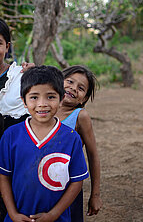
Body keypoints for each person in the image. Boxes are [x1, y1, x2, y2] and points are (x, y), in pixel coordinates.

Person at [0, 65, 89, 222]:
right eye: (34, 97)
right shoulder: (11, 135)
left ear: (61, 98)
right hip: (17, 217)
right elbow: (4, 176)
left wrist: (53, 214)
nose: (42, 104)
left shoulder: (71, 138)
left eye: (50, 97)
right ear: (23, 101)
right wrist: (13, 213)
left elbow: (77, 181)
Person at [56, 65, 102, 221]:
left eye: (81, 88)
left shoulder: (80, 116)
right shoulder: (42, 109)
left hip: (69, 187)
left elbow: (93, 155)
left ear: (85, 98)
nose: (73, 88)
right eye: (69, 81)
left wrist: (95, 195)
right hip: (39, 183)